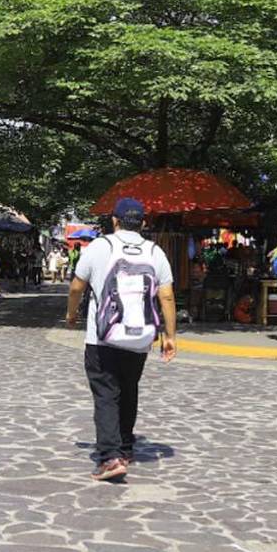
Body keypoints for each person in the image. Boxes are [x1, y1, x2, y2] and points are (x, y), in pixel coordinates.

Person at [66, 198, 177, 481]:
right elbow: (166, 295)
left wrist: (71, 314)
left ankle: (110, 457)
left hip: (102, 337)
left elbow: (77, 286)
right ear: (142, 223)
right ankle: (125, 448)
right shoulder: (155, 251)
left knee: (106, 394)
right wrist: (170, 336)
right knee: (129, 390)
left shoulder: (100, 247)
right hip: (139, 338)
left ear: (114, 221)